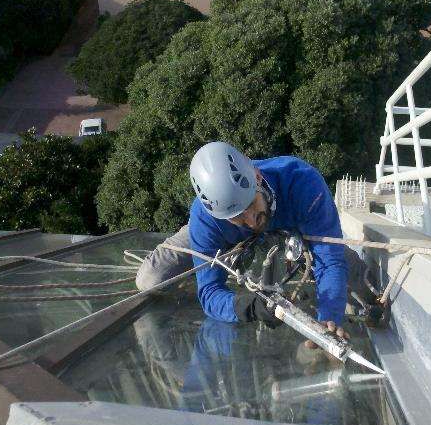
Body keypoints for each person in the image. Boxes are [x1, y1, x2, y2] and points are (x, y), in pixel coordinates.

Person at [137, 141, 369, 340]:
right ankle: (192, 277)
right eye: (238, 217)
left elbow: (329, 260)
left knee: (347, 265)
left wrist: (328, 319)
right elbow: (209, 293)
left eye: (250, 205)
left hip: (290, 229)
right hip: (223, 236)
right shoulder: (205, 219)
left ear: (257, 177)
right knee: (150, 279)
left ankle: (371, 301)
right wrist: (247, 306)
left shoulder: (301, 181)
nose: (251, 221)